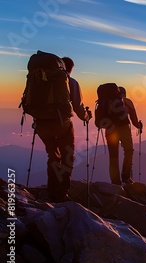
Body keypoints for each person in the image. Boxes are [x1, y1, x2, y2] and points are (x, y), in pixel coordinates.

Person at [36, 56, 91, 202]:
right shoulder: (70, 82)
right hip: (61, 124)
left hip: (41, 124)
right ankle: (61, 194)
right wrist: (87, 117)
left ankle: (52, 191)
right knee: (67, 157)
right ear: (71, 69)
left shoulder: (42, 79)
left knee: (53, 156)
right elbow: (78, 109)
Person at [105, 86, 142, 185]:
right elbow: (134, 120)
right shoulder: (127, 102)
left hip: (110, 130)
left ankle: (115, 182)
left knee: (113, 156)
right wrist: (139, 126)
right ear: (124, 94)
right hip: (124, 129)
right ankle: (126, 177)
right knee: (129, 151)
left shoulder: (108, 102)